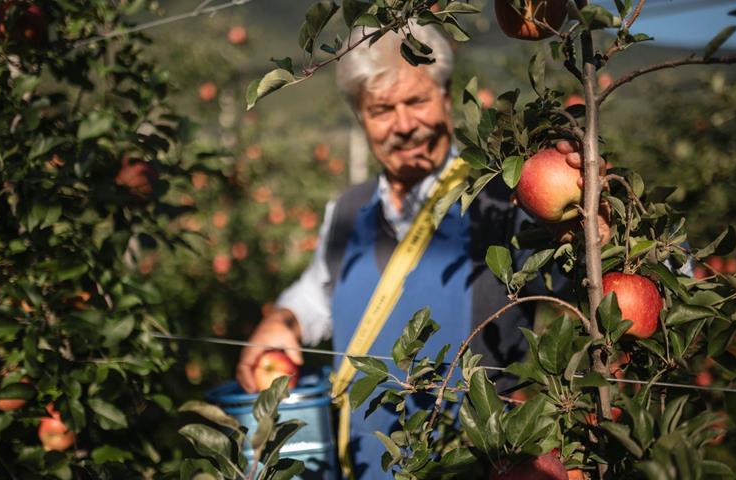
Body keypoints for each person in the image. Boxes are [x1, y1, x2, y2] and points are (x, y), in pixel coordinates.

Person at [236, 22, 578, 479]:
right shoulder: (347, 210)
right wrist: (282, 320)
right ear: (361, 116)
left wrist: (596, 228)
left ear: (445, 95)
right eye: (381, 109)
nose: (403, 125)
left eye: (416, 101)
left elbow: (601, 288)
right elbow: (316, 293)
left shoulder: (509, 200)